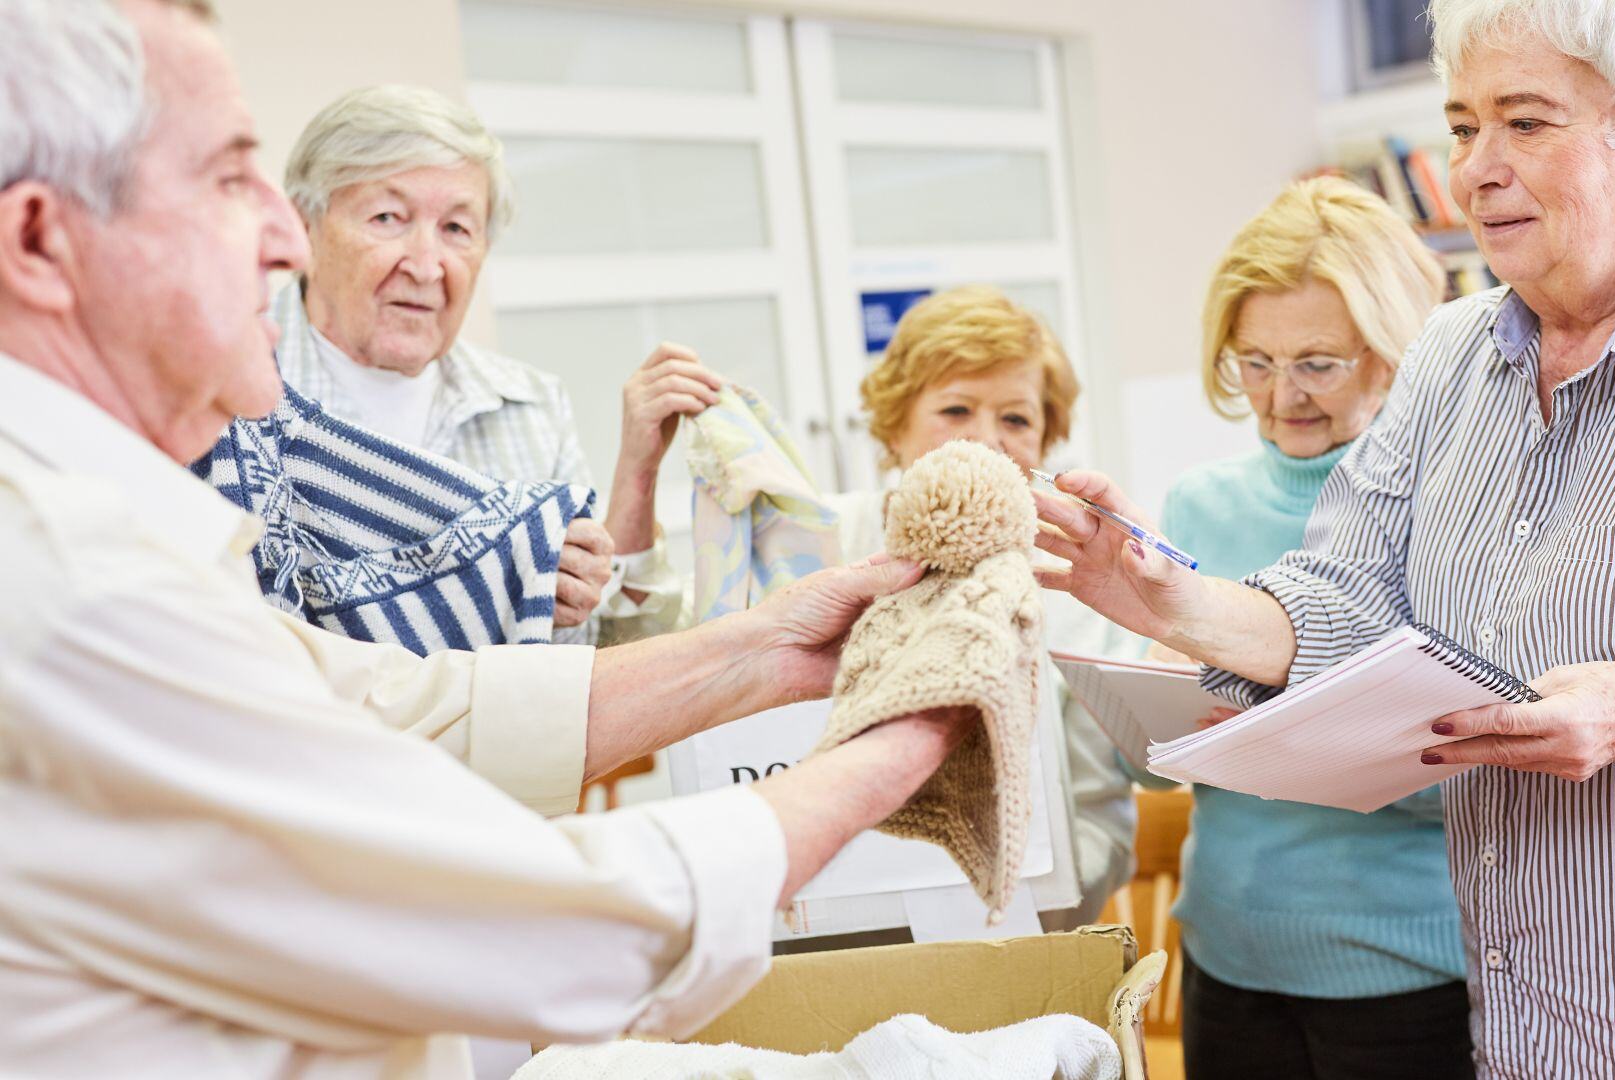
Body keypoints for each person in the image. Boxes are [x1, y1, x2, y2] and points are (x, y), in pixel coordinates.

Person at [0, 1, 975, 1075]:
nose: (276, 240)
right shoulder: (70, 590)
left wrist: (769, 652)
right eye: (231, 183)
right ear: (42, 241)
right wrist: (909, 733)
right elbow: (557, 935)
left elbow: (396, 703)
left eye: (458, 226)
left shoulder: (101, 539)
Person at [1034, 0, 1615, 1073]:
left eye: (1527, 124)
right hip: (1528, 1017)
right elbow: (1348, 595)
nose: (1474, 170)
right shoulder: (1453, 355)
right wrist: (1175, 602)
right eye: (1462, 128)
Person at [625, 285, 1135, 929]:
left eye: (1017, 419)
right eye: (955, 409)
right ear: (893, 427)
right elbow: (665, 658)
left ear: (1045, 442)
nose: (986, 440)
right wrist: (638, 477)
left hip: (1011, 940)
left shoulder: (1074, 589)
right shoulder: (803, 546)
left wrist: (1027, 897)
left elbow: (1099, 808)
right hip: (828, 946)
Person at [1141, 177, 1468, 1080]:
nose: (1282, 397)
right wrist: (1155, 707)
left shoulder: (1458, 507)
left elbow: (1489, 777)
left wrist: (1301, 744)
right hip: (1226, 957)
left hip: (1405, 977)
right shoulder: (1199, 504)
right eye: (1253, 362)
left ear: (1394, 352)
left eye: (1318, 363)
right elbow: (1148, 762)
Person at [275, 84, 714, 642]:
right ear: (303, 227)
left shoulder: (529, 406)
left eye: (456, 229)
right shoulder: (226, 398)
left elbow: (603, 654)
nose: (427, 266)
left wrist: (637, 473)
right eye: (387, 217)